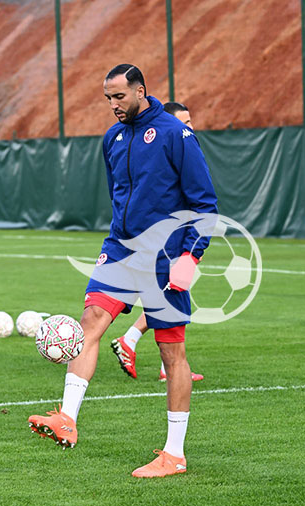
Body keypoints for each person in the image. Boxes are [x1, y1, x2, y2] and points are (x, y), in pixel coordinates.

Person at [28, 64, 218, 478]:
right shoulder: (112, 137)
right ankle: (67, 417)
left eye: (119, 97)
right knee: (90, 322)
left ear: (140, 91)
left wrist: (191, 257)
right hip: (119, 250)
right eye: (107, 98)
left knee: (171, 351)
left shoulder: (175, 134)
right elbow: (120, 195)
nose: (113, 105)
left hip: (165, 257)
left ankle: (174, 454)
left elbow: (205, 205)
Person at [111, 100, 205, 383]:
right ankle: (133, 340)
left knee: (169, 295)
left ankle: (144, 348)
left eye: (190, 121)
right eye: (184, 122)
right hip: (166, 243)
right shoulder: (165, 142)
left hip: (182, 238)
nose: (190, 127)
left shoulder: (184, 146)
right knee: (167, 295)